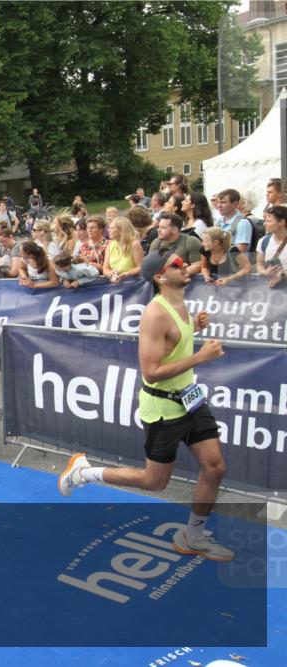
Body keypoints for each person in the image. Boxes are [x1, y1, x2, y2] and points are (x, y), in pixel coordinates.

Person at [59, 249, 233, 561]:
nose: (184, 265)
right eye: (176, 264)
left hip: (190, 400)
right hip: (163, 408)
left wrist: (194, 326)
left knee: (215, 467)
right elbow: (151, 372)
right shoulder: (155, 314)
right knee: (155, 482)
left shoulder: (179, 303)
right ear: (160, 277)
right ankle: (85, 472)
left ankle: (193, 537)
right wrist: (200, 357)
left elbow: (172, 342)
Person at [103, 216, 144, 283]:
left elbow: (141, 267)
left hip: (132, 282)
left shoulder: (134, 244)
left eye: (111, 228)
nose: (108, 230)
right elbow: (105, 269)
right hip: (115, 282)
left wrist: (127, 273)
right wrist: (111, 273)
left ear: (121, 231)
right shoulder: (110, 245)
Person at [257, 205, 287, 289]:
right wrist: (265, 272)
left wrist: (282, 275)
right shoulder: (263, 241)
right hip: (271, 289)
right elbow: (259, 264)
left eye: (268, 221)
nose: (264, 224)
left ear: (282, 222)